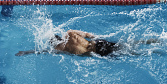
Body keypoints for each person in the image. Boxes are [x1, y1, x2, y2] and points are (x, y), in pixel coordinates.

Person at [16, 30, 159, 57]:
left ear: (54, 44)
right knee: (125, 45)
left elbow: (42, 51)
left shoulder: (60, 50)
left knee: (130, 53)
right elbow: (89, 35)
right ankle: (151, 41)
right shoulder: (70, 33)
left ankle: (156, 51)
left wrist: (25, 52)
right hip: (99, 43)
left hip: (97, 52)